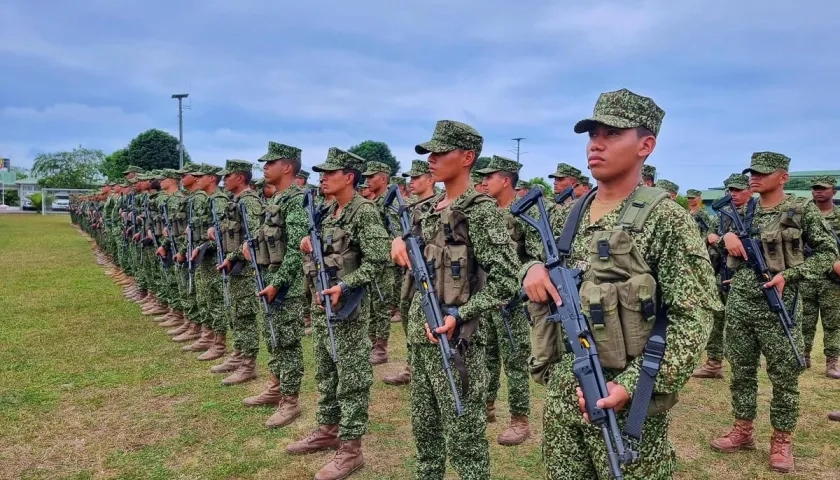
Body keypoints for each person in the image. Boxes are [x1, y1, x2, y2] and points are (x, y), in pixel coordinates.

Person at [521, 88, 721, 479]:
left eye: (612, 134)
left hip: (627, 401)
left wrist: (632, 386)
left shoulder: (666, 218)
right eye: (592, 134)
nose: (596, 144)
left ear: (646, 145)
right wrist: (531, 269)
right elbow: (537, 260)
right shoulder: (570, 212)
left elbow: (694, 317)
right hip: (567, 386)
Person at [392, 120, 520, 479]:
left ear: (466, 157)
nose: (431, 159)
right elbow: (409, 242)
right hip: (420, 337)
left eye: (440, 152)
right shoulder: (427, 208)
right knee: (425, 435)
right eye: (429, 152)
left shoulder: (480, 211)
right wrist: (397, 241)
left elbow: (507, 280)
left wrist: (462, 313)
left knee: (465, 444)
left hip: (458, 344)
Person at [710, 152, 838, 473]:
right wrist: (726, 237)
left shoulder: (801, 209)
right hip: (740, 303)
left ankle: (781, 440)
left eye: (763, 173)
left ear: (783, 177)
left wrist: (790, 276)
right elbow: (717, 238)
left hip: (778, 306)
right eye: (752, 172)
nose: (754, 177)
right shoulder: (745, 209)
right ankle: (743, 430)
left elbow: (827, 253)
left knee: (783, 376)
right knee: (741, 370)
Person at [286, 147, 390, 480]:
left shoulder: (364, 212)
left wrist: (345, 285)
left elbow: (378, 260)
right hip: (322, 305)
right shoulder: (328, 212)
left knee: (352, 378)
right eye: (321, 173)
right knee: (328, 373)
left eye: (330, 173)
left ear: (349, 177)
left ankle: (351, 449)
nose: (323, 177)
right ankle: (328, 428)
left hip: (349, 310)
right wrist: (307, 243)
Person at [239, 143, 310, 429]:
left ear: (287, 167)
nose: (264, 167)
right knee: (273, 338)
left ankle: (290, 401)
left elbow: (296, 248)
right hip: (268, 278)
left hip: (286, 286)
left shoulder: (296, 199)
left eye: (271, 163)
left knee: (288, 343)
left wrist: (278, 283)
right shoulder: (277, 199)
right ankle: (275, 386)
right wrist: (250, 242)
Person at [477, 155, 534, 446]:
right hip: (485, 299)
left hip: (511, 303)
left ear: (507, 181)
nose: (484, 181)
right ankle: (485, 406)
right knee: (485, 356)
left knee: (514, 361)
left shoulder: (523, 214)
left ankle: (519, 420)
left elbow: (537, 262)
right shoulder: (486, 212)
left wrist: (516, 292)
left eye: (490, 176)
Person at [382, 159, 437, 387]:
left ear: (431, 179)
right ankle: (411, 366)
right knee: (408, 318)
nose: (411, 182)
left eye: (416, 177)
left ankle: (422, 369)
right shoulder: (410, 208)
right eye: (410, 178)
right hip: (411, 274)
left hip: (432, 274)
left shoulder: (437, 206)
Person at [692, 174, 752, 379]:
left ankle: (742, 369)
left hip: (746, 277)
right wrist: (715, 238)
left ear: (750, 190)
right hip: (721, 273)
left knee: (741, 325)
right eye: (730, 190)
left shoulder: (757, 213)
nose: (733, 194)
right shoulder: (723, 215)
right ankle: (713, 364)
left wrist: (721, 239)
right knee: (716, 321)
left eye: (738, 190)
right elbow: (709, 238)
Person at [213, 160, 264, 386]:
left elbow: (253, 238)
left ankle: (248, 364)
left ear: (240, 178)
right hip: (233, 267)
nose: (224, 180)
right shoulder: (237, 201)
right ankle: (238, 354)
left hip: (244, 269)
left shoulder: (249, 202)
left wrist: (232, 258)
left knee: (244, 316)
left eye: (228, 176)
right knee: (235, 313)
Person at [800, 175, 840, 376]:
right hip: (807, 275)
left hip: (833, 278)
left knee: (833, 322)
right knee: (804, 320)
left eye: (823, 188)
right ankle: (803, 357)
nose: (818, 191)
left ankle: (832, 363)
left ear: (834, 191)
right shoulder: (803, 214)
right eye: (815, 188)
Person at [362, 160, 400, 365]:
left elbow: (396, 234)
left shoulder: (389, 202)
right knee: (371, 305)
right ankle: (371, 342)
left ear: (383, 178)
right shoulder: (375, 202)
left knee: (381, 305)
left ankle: (381, 349)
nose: (367, 180)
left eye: (371, 177)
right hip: (371, 260)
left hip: (385, 262)